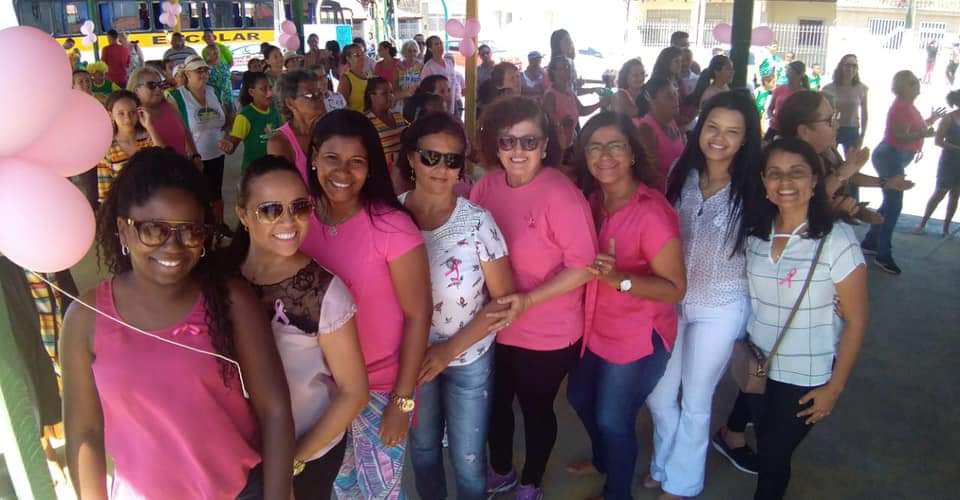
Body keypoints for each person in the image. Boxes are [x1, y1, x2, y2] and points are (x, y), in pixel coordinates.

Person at [61, 147, 294, 500]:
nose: (173, 247)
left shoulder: (229, 300)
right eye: (154, 230)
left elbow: (274, 409)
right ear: (124, 230)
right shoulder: (85, 319)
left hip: (240, 491)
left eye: (190, 231)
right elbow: (84, 432)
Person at [471, 97, 598, 500]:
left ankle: (531, 481)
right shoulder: (486, 186)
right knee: (495, 406)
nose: (518, 151)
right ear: (495, 145)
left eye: (529, 141)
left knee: (536, 409)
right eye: (507, 141)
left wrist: (527, 301)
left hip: (547, 333)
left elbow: (585, 267)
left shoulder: (562, 196)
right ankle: (501, 469)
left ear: (545, 146)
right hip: (495, 325)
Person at [300, 110, 431, 499]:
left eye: (356, 161)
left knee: (380, 493)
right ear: (313, 158)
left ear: (372, 166)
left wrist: (402, 402)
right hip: (322, 389)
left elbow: (418, 315)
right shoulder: (298, 219)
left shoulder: (392, 227)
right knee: (341, 488)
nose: (343, 171)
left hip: (380, 389)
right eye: (331, 158)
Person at [229, 155, 369, 499]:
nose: (288, 220)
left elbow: (353, 392)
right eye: (270, 210)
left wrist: (293, 461)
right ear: (243, 214)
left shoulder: (324, 293)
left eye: (299, 207)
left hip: (306, 452)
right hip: (236, 450)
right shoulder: (222, 277)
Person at [646, 91, 762, 499]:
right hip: (671, 299)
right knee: (660, 394)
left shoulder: (754, 187)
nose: (719, 138)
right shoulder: (682, 172)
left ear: (745, 139)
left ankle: (681, 483)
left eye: (732, 131)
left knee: (696, 399)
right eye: (712, 126)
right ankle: (663, 462)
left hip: (721, 306)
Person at [565, 111, 686, 500]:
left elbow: (675, 289)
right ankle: (605, 460)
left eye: (615, 145)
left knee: (613, 419)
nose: (604, 155)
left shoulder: (651, 213)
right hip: (596, 326)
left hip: (638, 335)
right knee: (579, 396)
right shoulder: (592, 201)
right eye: (594, 147)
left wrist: (622, 279)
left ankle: (617, 493)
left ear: (633, 153)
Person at [397, 112, 514, 500]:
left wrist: (449, 350)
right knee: (423, 449)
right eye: (430, 156)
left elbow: (504, 301)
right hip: (412, 358)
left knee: (468, 459)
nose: (441, 168)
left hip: (469, 358)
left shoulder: (478, 222)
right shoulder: (390, 217)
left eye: (452, 160)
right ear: (411, 157)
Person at [743, 138, 868, 500]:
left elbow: (857, 320)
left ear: (815, 180)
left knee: (774, 455)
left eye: (796, 172)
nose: (785, 182)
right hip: (758, 365)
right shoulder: (755, 235)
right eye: (775, 173)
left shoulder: (836, 239)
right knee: (766, 441)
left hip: (806, 375)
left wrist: (834, 388)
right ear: (764, 181)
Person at [862, 70, 945, 275]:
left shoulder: (907, 106)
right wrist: (924, 133)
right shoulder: (902, 106)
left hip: (893, 156)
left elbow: (911, 128)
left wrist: (930, 120)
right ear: (902, 87)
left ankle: (871, 242)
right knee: (894, 205)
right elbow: (899, 135)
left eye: (916, 82)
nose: (917, 85)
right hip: (890, 156)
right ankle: (883, 254)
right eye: (912, 83)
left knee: (889, 203)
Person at [167, 56, 228, 224]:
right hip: (193, 156)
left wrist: (228, 137)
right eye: (198, 71)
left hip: (217, 153)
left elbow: (227, 117)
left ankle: (219, 226)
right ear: (187, 74)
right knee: (196, 197)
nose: (203, 74)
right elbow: (179, 130)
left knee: (216, 194)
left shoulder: (215, 91)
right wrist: (193, 155)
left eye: (205, 70)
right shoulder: (177, 96)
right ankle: (201, 229)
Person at [97, 90, 165, 202]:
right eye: (121, 113)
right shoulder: (106, 149)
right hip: (123, 207)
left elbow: (164, 158)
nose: (127, 118)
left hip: (154, 202)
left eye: (132, 112)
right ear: (111, 115)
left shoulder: (148, 138)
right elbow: (105, 193)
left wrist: (149, 126)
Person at [128, 66, 202, 161]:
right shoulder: (131, 115)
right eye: (152, 85)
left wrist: (195, 155)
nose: (158, 89)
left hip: (182, 165)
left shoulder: (170, 106)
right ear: (136, 89)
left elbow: (185, 132)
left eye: (160, 84)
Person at [915, 89, 960, 238]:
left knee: (955, 195)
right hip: (949, 161)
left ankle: (946, 229)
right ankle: (922, 224)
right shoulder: (948, 118)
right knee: (940, 193)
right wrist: (957, 148)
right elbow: (938, 141)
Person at [268, 70, 327, 180]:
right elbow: (283, 185)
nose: (319, 99)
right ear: (290, 103)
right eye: (310, 95)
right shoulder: (279, 142)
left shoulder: (329, 130)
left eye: (319, 94)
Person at [221, 71, 283, 173]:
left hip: (274, 169)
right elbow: (232, 147)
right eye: (263, 89)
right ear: (251, 92)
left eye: (270, 88)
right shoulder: (245, 116)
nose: (269, 93)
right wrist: (228, 146)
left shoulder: (275, 111)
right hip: (254, 171)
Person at [543, 56, 603, 155]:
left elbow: (582, 110)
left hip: (570, 142)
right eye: (562, 68)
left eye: (568, 68)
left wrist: (600, 104)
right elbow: (547, 124)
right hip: (556, 148)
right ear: (553, 72)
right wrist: (561, 123)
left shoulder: (569, 91)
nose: (567, 71)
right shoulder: (550, 95)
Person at [636, 77, 685, 189]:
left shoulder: (671, 122)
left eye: (675, 94)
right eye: (669, 96)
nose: (676, 99)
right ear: (652, 100)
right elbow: (649, 176)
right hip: (664, 193)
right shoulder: (646, 130)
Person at [822, 55, 869, 159]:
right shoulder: (828, 89)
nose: (851, 69)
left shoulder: (862, 89)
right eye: (848, 65)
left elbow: (864, 113)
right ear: (841, 67)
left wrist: (862, 135)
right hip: (832, 129)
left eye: (854, 66)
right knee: (829, 161)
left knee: (851, 161)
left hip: (852, 130)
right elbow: (823, 112)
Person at [364, 77, 409, 182]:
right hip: (380, 178)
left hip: (403, 175)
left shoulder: (398, 116)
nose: (390, 97)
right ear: (371, 95)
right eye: (384, 93)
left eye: (391, 92)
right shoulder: (365, 121)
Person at [766, 61, 810, 140]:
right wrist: (771, 117)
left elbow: (808, 114)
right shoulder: (779, 89)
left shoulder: (805, 93)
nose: (787, 72)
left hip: (794, 132)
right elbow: (770, 108)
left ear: (799, 74)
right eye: (787, 69)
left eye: (790, 70)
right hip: (775, 128)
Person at [637, 46, 683, 117]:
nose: (680, 64)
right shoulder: (656, 83)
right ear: (666, 62)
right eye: (676, 61)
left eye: (681, 61)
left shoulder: (679, 80)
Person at [421, 36, 459, 115]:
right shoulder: (428, 67)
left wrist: (456, 96)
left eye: (441, 43)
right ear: (430, 49)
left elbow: (454, 82)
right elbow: (425, 88)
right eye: (436, 44)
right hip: (438, 105)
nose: (440, 46)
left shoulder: (449, 62)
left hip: (453, 102)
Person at [338, 44, 369, 112]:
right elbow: (341, 105)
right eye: (357, 55)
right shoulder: (346, 79)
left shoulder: (369, 75)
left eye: (362, 54)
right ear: (348, 58)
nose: (362, 57)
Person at [203, 44, 233, 113]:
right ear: (208, 55)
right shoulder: (206, 68)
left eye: (218, 52)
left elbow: (228, 79)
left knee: (231, 117)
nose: (217, 55)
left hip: (228, 97)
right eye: (214, 53)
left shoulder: (224, 65)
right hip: (214, 99)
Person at [397, 40, 424, 105]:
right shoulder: (398, 66)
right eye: (409, 51)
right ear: (404, 52)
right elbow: (395, 86)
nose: (412, 53)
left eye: (414, 51)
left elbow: (423, 84)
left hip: (418, 99)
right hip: (402, 101)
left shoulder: (421, 66)